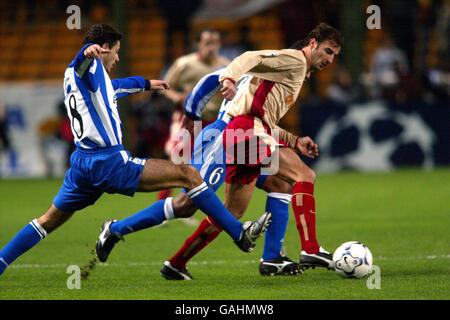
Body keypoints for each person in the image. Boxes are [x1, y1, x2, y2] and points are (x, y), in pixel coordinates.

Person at [0, 24, 271, 277]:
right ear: (104, 47)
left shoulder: (78, 78)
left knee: (47, 221)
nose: (117, 59)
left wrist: (145, 83)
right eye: (115, 52)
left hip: (81, 164)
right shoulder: (88, 66)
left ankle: (1, 262)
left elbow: (115, 88)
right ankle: (238, 233)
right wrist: (87, 52)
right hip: (109, 161)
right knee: (188, 175)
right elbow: (82, 62)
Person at [96, 69, 301, 279]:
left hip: (249, 139)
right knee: (186, 204)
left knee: (280, 184)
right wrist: (192, 113)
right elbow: (209, 80)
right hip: (223, 136)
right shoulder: (264, 66)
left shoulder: (279, 77)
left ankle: (272, 258)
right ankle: (116, 229)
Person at [216, 22, 342, 271]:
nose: (330, 59)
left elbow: (265, 119)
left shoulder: (291, 75)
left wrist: (295, 141)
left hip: (242, 131)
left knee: (232, 211)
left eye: (335, 56)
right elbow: (251, 56)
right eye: (328, 51)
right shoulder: (295, 60)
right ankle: (310, 249)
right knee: (304, 175)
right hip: (241, 130)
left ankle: (177, 262)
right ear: (313, 43)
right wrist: (228, 77)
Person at [158, 29, 230, 202]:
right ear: (199, 44)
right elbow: (164, 86)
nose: (211, 47)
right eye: (207, 43)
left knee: (208, 163)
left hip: (214, 121)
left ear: (219, 44)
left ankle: (189, 201)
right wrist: (176, 97)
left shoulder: (227, 66)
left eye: (214, 43)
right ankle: (162, 202)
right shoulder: (184, 63)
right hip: (188, 119)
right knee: (176, 158)